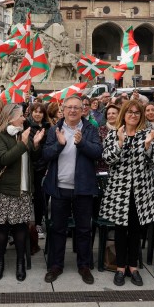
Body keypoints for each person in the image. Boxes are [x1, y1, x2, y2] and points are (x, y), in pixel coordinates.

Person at [101, 100, 154, 287]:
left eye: (137, 112)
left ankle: (133, 266)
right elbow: (108, 159)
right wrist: (120, 142)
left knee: (136, 229)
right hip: (119, 190)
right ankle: (120, 267)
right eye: (130, 112)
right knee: (120, 229)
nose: (133, 115)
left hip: (141, 190)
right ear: (124, 114)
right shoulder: (114, 133)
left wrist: (148, 146)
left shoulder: (148, 133)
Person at [42, 95, 103, 285]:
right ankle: (55, 265)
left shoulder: (90, 129)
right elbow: (45, 154)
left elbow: (98, 153)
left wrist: (81, 143)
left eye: (77, 107)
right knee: (57, 229)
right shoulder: (55, 130)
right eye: (69, 107)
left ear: (83, 109)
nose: (73, 110)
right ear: (63, 108)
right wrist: (59, 145)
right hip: (60, 188)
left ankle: (84, 265)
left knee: (84, 229)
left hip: (82, 189)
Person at [0, 104, 45, 281]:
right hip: (6, 190)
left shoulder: (25, 133)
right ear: (11, 116)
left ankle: (20, 263)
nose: (24, 118)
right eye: (21, 115)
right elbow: (4, 158)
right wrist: (23, 143)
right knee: (2, 229)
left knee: (21, 228)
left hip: (24, 190)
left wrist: (35, 145)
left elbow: (34, 160)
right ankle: (0, 262)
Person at [25, 102, 52, 238]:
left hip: (43, 166)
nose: (37, 114)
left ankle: (38, 223)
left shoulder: (48, 127)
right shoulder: (26, 126)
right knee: (27, 195)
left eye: (40, 112)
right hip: (29, 165)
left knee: (40, 197)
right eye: (35, 111)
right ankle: (25, 223)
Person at [96, 103, 120, 174]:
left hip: (120, 169)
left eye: (113, 113)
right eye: (108, 114)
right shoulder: (100, 130)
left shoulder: (123, 130)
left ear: (119, 115)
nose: (110, 115)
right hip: (104, 170)